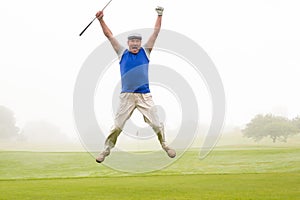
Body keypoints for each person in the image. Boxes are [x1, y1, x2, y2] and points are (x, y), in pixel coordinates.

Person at [95, 6, 176, 163]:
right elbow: (109, 35)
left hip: (144, 95)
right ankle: (105, 151)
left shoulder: (145, 52)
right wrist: (101, 20)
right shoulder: (122, 52)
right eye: (132, 41)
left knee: (156, 124)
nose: (135, 43)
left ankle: (165, 145)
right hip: (127, 97)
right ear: (128, 42)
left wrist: (160, 15)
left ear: (140, 43)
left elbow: (156, 32)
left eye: (137, 41)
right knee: (117, 127)